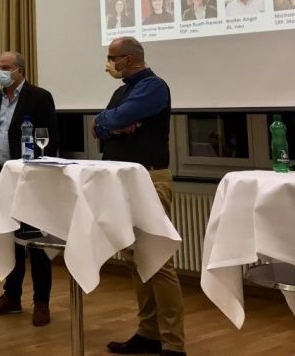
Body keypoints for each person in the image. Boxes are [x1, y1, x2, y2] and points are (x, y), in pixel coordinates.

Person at [93, 38, 185, 356]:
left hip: (148, 179)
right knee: (135, 260)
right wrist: (112, 124)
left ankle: (173, 343)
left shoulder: (153, 87)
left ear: (129, 59)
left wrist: (114, 123)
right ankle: (148, 332)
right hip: (122, 179)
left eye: (112, 58)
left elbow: (114, 119)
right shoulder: (122, 91)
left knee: (157, 261)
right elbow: (100, 126)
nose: (109, 63)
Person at [0, 51, 58, 327]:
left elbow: (51, 138)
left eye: (6, 67)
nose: (1, 71)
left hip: (30, 177)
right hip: (2, 175)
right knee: (8, 237)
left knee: (34, 241)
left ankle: (41, 302)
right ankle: (11, 296)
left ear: (20, 71)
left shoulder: (39, 97)